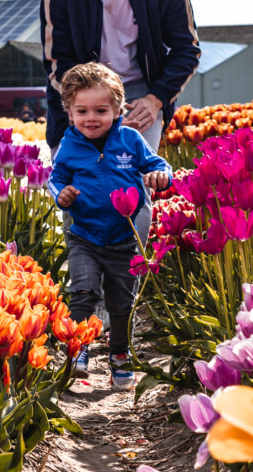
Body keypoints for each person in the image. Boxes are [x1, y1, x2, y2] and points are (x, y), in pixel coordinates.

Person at [39, 0, 200, 235]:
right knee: (75, 187)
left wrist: (156, 100)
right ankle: (84, 269)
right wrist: (91, 109)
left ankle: (132, 267)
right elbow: (58, 63)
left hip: (142, 93)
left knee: (134, 182)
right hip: (79, 95)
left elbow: (187, 49)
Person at [47, 63, 171, 391]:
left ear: (117, 110)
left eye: (101, 111)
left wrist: (161, 175)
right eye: (82, 111)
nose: (91, 118)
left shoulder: (130, 139)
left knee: (121, 303)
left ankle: (119, 354)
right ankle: (79, 346)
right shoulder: (69, 145)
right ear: (69, 112)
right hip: (84, 236)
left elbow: (156, 163)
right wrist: (62, 194)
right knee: (83, 292)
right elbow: (56, 178)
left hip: (124, 239)